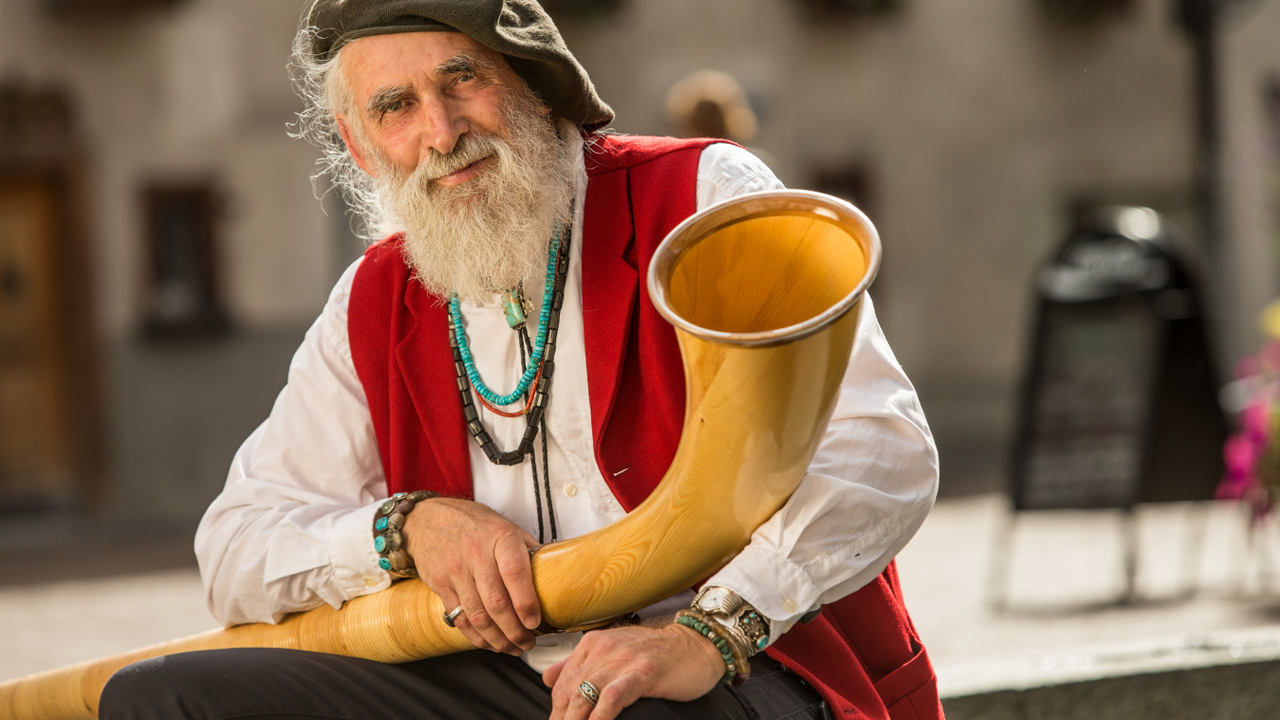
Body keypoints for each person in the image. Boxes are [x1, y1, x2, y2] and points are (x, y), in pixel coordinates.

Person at [101, 1, 941, 719]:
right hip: (508, 684)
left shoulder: (702, 194)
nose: (441, 131)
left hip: (744, 667)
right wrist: (407, 528)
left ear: (534, 81)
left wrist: (709, 633)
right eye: (395, 106)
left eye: (462, 78)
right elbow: (237, 547)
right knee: (163, 699)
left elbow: (882, 447)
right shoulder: (371, 298)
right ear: (363, 150)